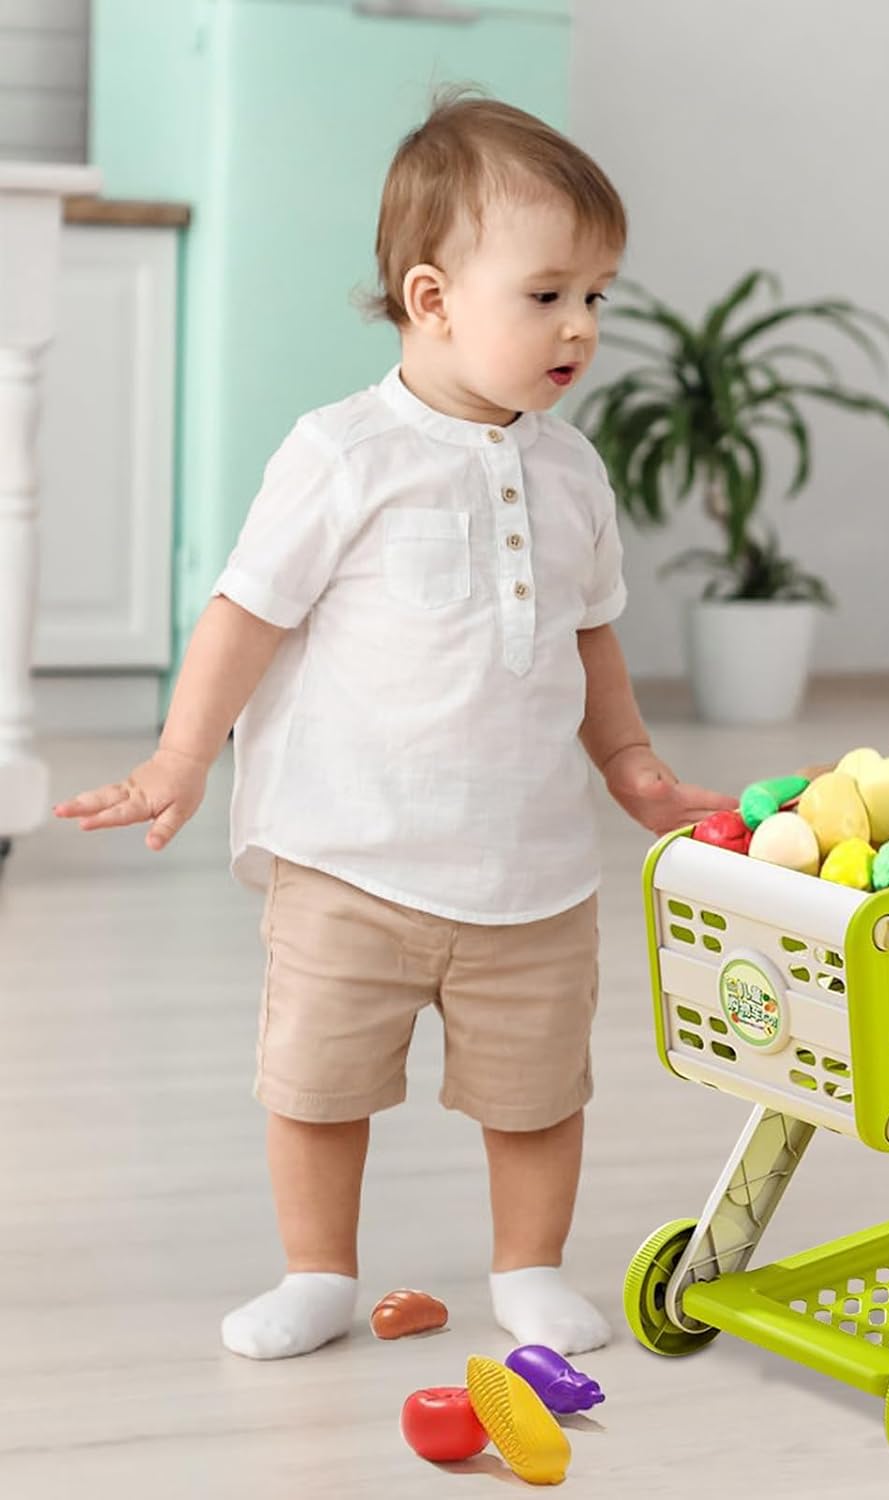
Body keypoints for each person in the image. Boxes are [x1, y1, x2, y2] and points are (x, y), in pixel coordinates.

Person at [55, 93, 732, 1361]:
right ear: (433, 299)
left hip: (530, 872)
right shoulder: (345, 454)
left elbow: (590, 634)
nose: (581, 326)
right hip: (351, 859)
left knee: (539, 1092)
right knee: (319, 1085)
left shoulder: (573, 472)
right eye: (547, 294)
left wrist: (631, 762)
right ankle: (317, 1273)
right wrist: (180, 758)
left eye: (596, 294)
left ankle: (529, 1267)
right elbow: (245, 613)